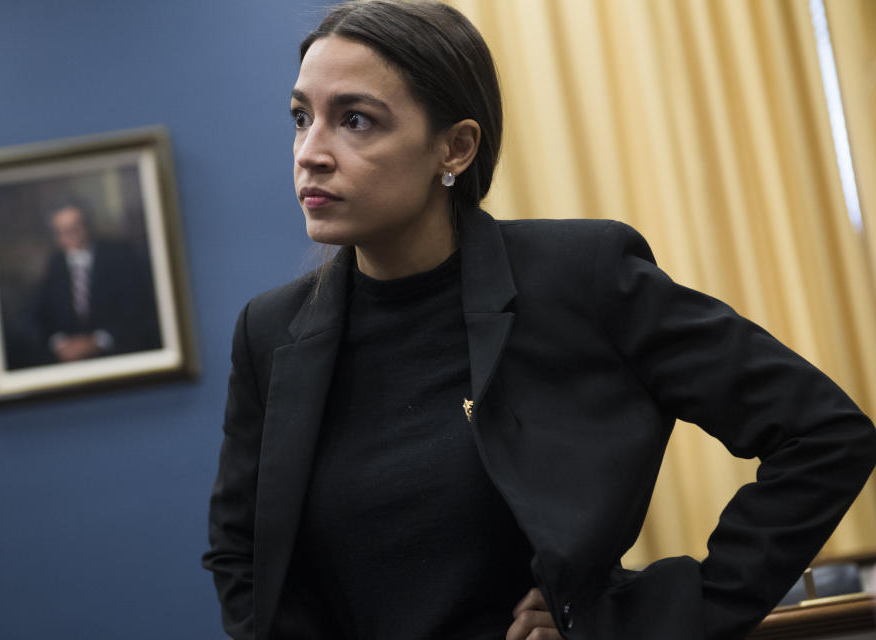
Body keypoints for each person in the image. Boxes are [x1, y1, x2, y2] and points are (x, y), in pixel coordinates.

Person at [202, 2, 876, 639]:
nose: (310, 151)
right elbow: (242, 552)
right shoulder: (270, 334)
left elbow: (822, 435)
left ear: (456, 149)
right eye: (301, 117)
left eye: (355, 121)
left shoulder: (581, 276)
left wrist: (658, 618)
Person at [32, 197, 161, 364]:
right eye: (63, 231)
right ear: (56, 236)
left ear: (87, 226)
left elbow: (139, 311)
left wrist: (99, 341)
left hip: (118, 355)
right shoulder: (54, 265)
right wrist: (59, 343)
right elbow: (40, 318)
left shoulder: (119, 256)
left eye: (75, 228)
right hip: (69, 361)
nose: (70, 236)